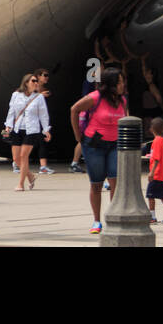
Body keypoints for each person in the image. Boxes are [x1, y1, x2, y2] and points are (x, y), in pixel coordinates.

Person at [69, 65, 127, 234]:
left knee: (115, 181)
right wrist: (77, 135)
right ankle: (96, 221)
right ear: (111, 84)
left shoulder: (122, 100)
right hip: (94, 146)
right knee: (96, 184)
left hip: (115, 144)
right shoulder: (95, 97)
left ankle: (113, 217)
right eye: (120, 82)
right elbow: (74, 109)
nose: (123, 85)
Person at [5, 74, 49, 192]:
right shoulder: (16, 95)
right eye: (33, 81)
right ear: (26, 83)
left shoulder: (39, 97)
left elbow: (43, 114)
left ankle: (20, 184)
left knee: (23, 157)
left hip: (31, 130)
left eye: (37, 81)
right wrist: (8, 125)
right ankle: (30, 176)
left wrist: (46, 130)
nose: (36, 83)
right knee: (16, 159)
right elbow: (11, 111)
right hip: (17, 128)